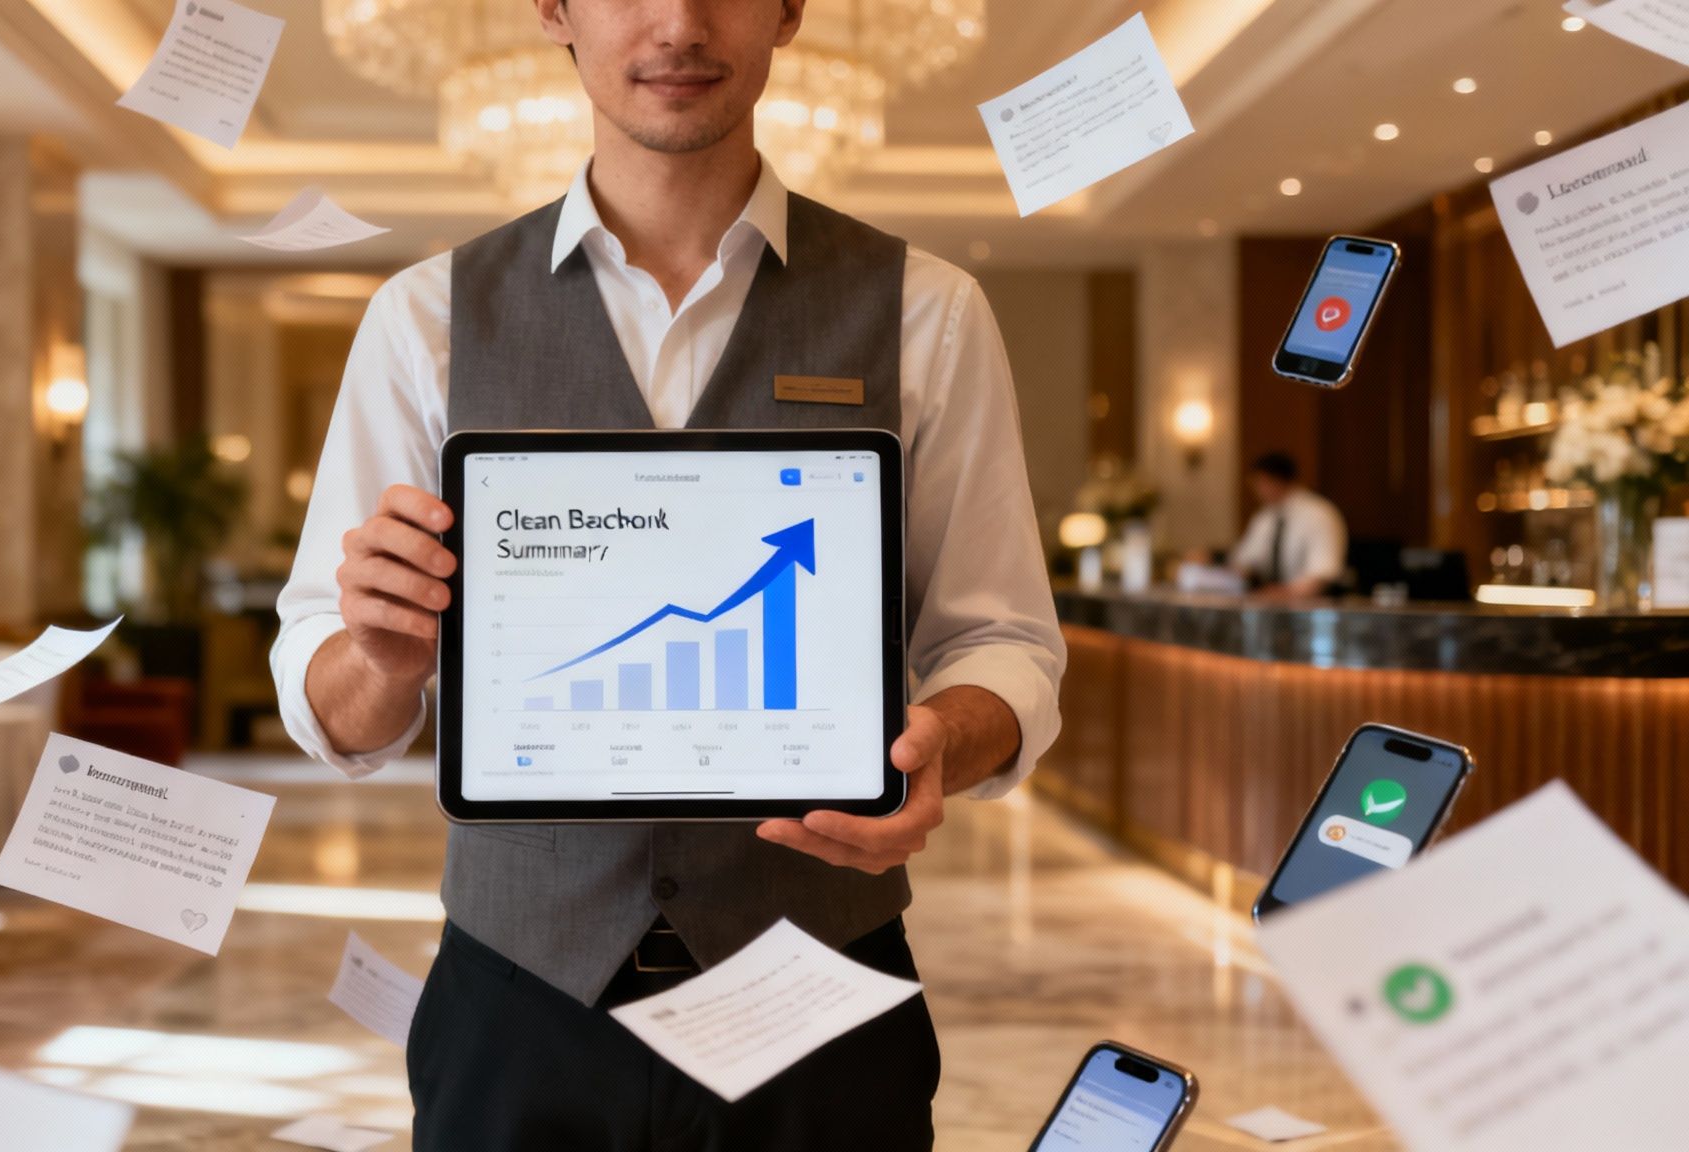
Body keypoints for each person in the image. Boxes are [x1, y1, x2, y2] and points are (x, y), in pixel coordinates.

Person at [271, 2, 1064, 1147]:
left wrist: (946, 735)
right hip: (516, 998)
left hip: (819, 993)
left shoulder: (926, 311)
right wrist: (382, 658)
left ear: (790, 9)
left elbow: (1003, 643)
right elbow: (334, 705)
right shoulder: (423, 318)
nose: (679, 23)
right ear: (550, 9)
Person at [1229, 452, 1347, 600]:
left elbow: (1323, 573)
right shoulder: (1265, 518)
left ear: (1273, 481)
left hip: (1315, 606)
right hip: (1272, 603)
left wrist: (1280, 594)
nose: (1256, 490)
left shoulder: (1319, 514)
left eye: (1259, 482)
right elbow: (1244, 561)